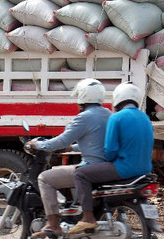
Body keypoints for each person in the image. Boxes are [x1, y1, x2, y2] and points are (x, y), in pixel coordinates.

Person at [26, 79, 111, 238]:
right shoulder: (108, 114)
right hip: (106, 168)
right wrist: (72, 148)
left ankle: (53, 224)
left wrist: (38, 145)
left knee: (45, 178)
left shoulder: (83, 117)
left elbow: (61, 141)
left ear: (82, 97)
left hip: (89, 168)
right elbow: (96, 143)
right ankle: (72, 213)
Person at [69, 82, 154, 235]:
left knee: (80, 174)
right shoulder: (145, 117)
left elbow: (110, 150)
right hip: (145, 169)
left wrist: (108, 158)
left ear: (118, 98)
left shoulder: (117, 118)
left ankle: (88, 217)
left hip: (124, 168)